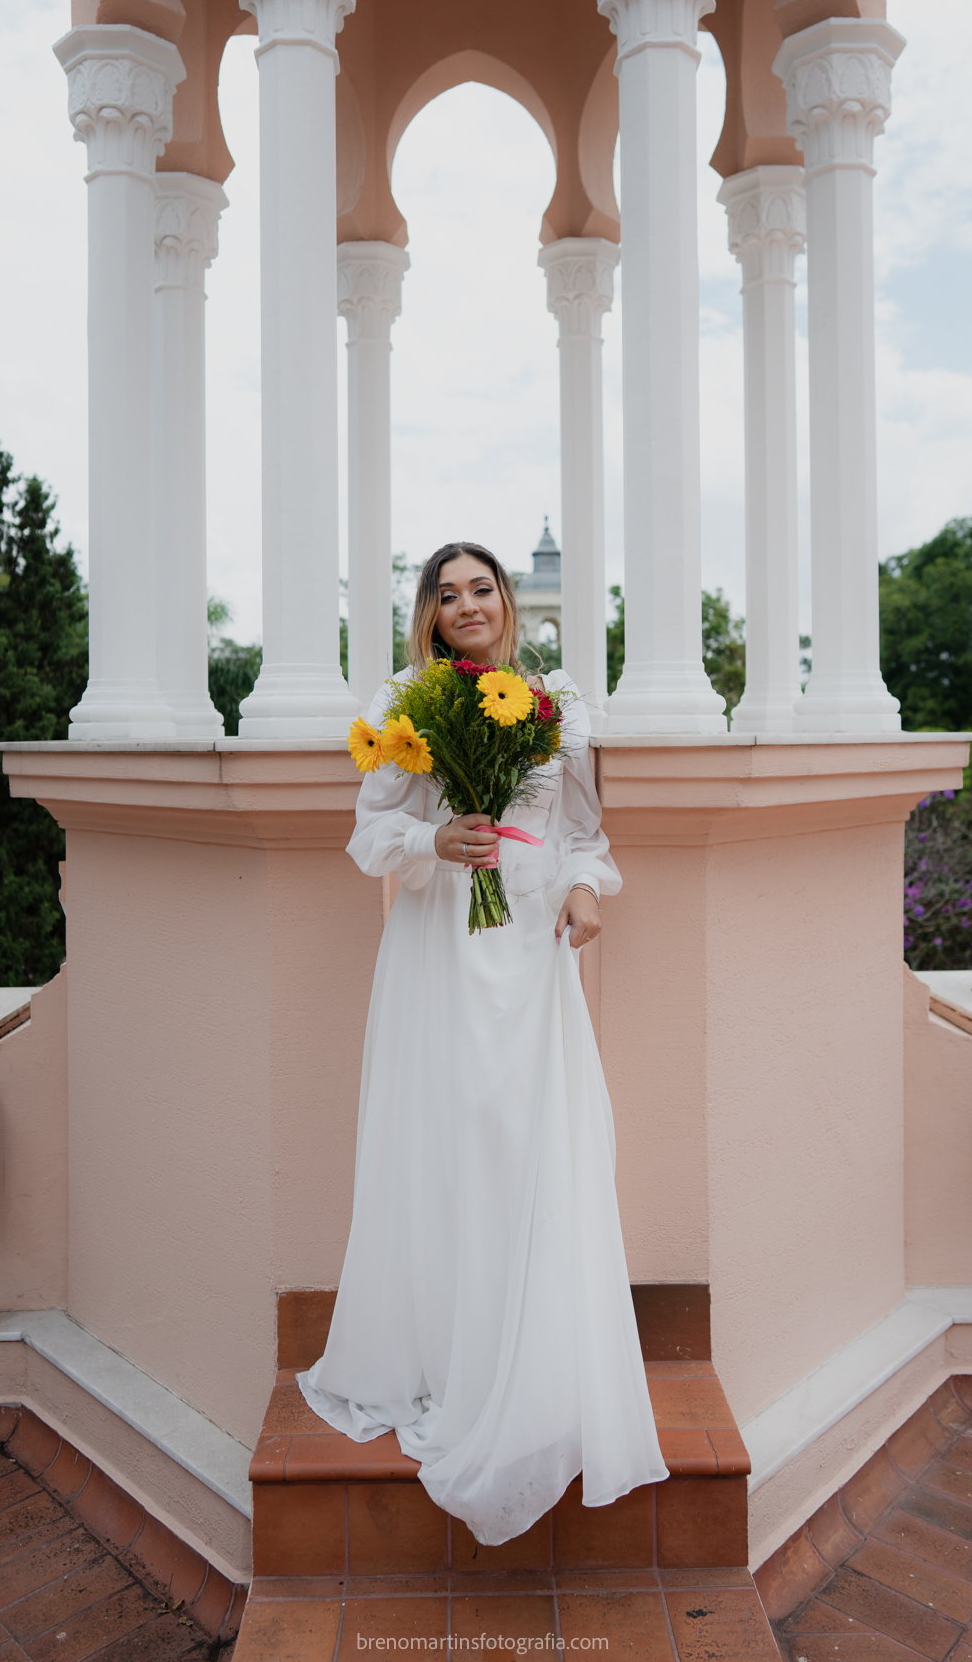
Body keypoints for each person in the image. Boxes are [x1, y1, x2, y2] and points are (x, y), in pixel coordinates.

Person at [298, 541, 666, 1546]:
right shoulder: (405, 708)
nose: (468, 603)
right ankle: (457, 1360)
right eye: (447, 592)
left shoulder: (558, 704)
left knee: (537, 1144)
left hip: (536, 949)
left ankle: (542, 1359)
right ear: (429, 612)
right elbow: (371, 834)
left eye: (481, 588)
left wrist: (588, 891)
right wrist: (432, 841)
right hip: (446, 954)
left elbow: (583, 831)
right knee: (460, 1146)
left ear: (508, 601)